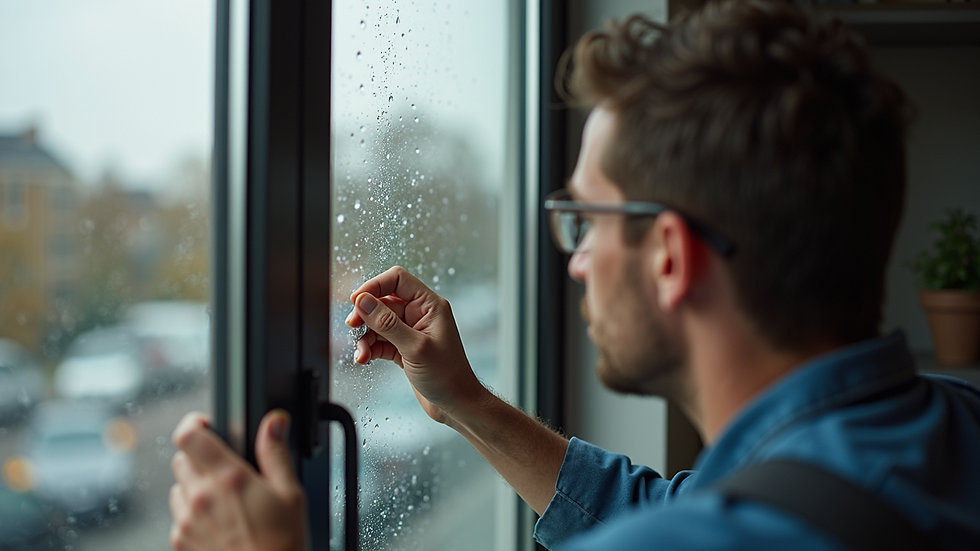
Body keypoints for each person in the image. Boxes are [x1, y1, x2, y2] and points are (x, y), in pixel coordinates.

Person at [168, 0, 980, 549]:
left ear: (668, 253)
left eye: (586, 221)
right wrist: (467, 404)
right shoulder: (948, 426)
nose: (574, 258)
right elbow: (681, 509)